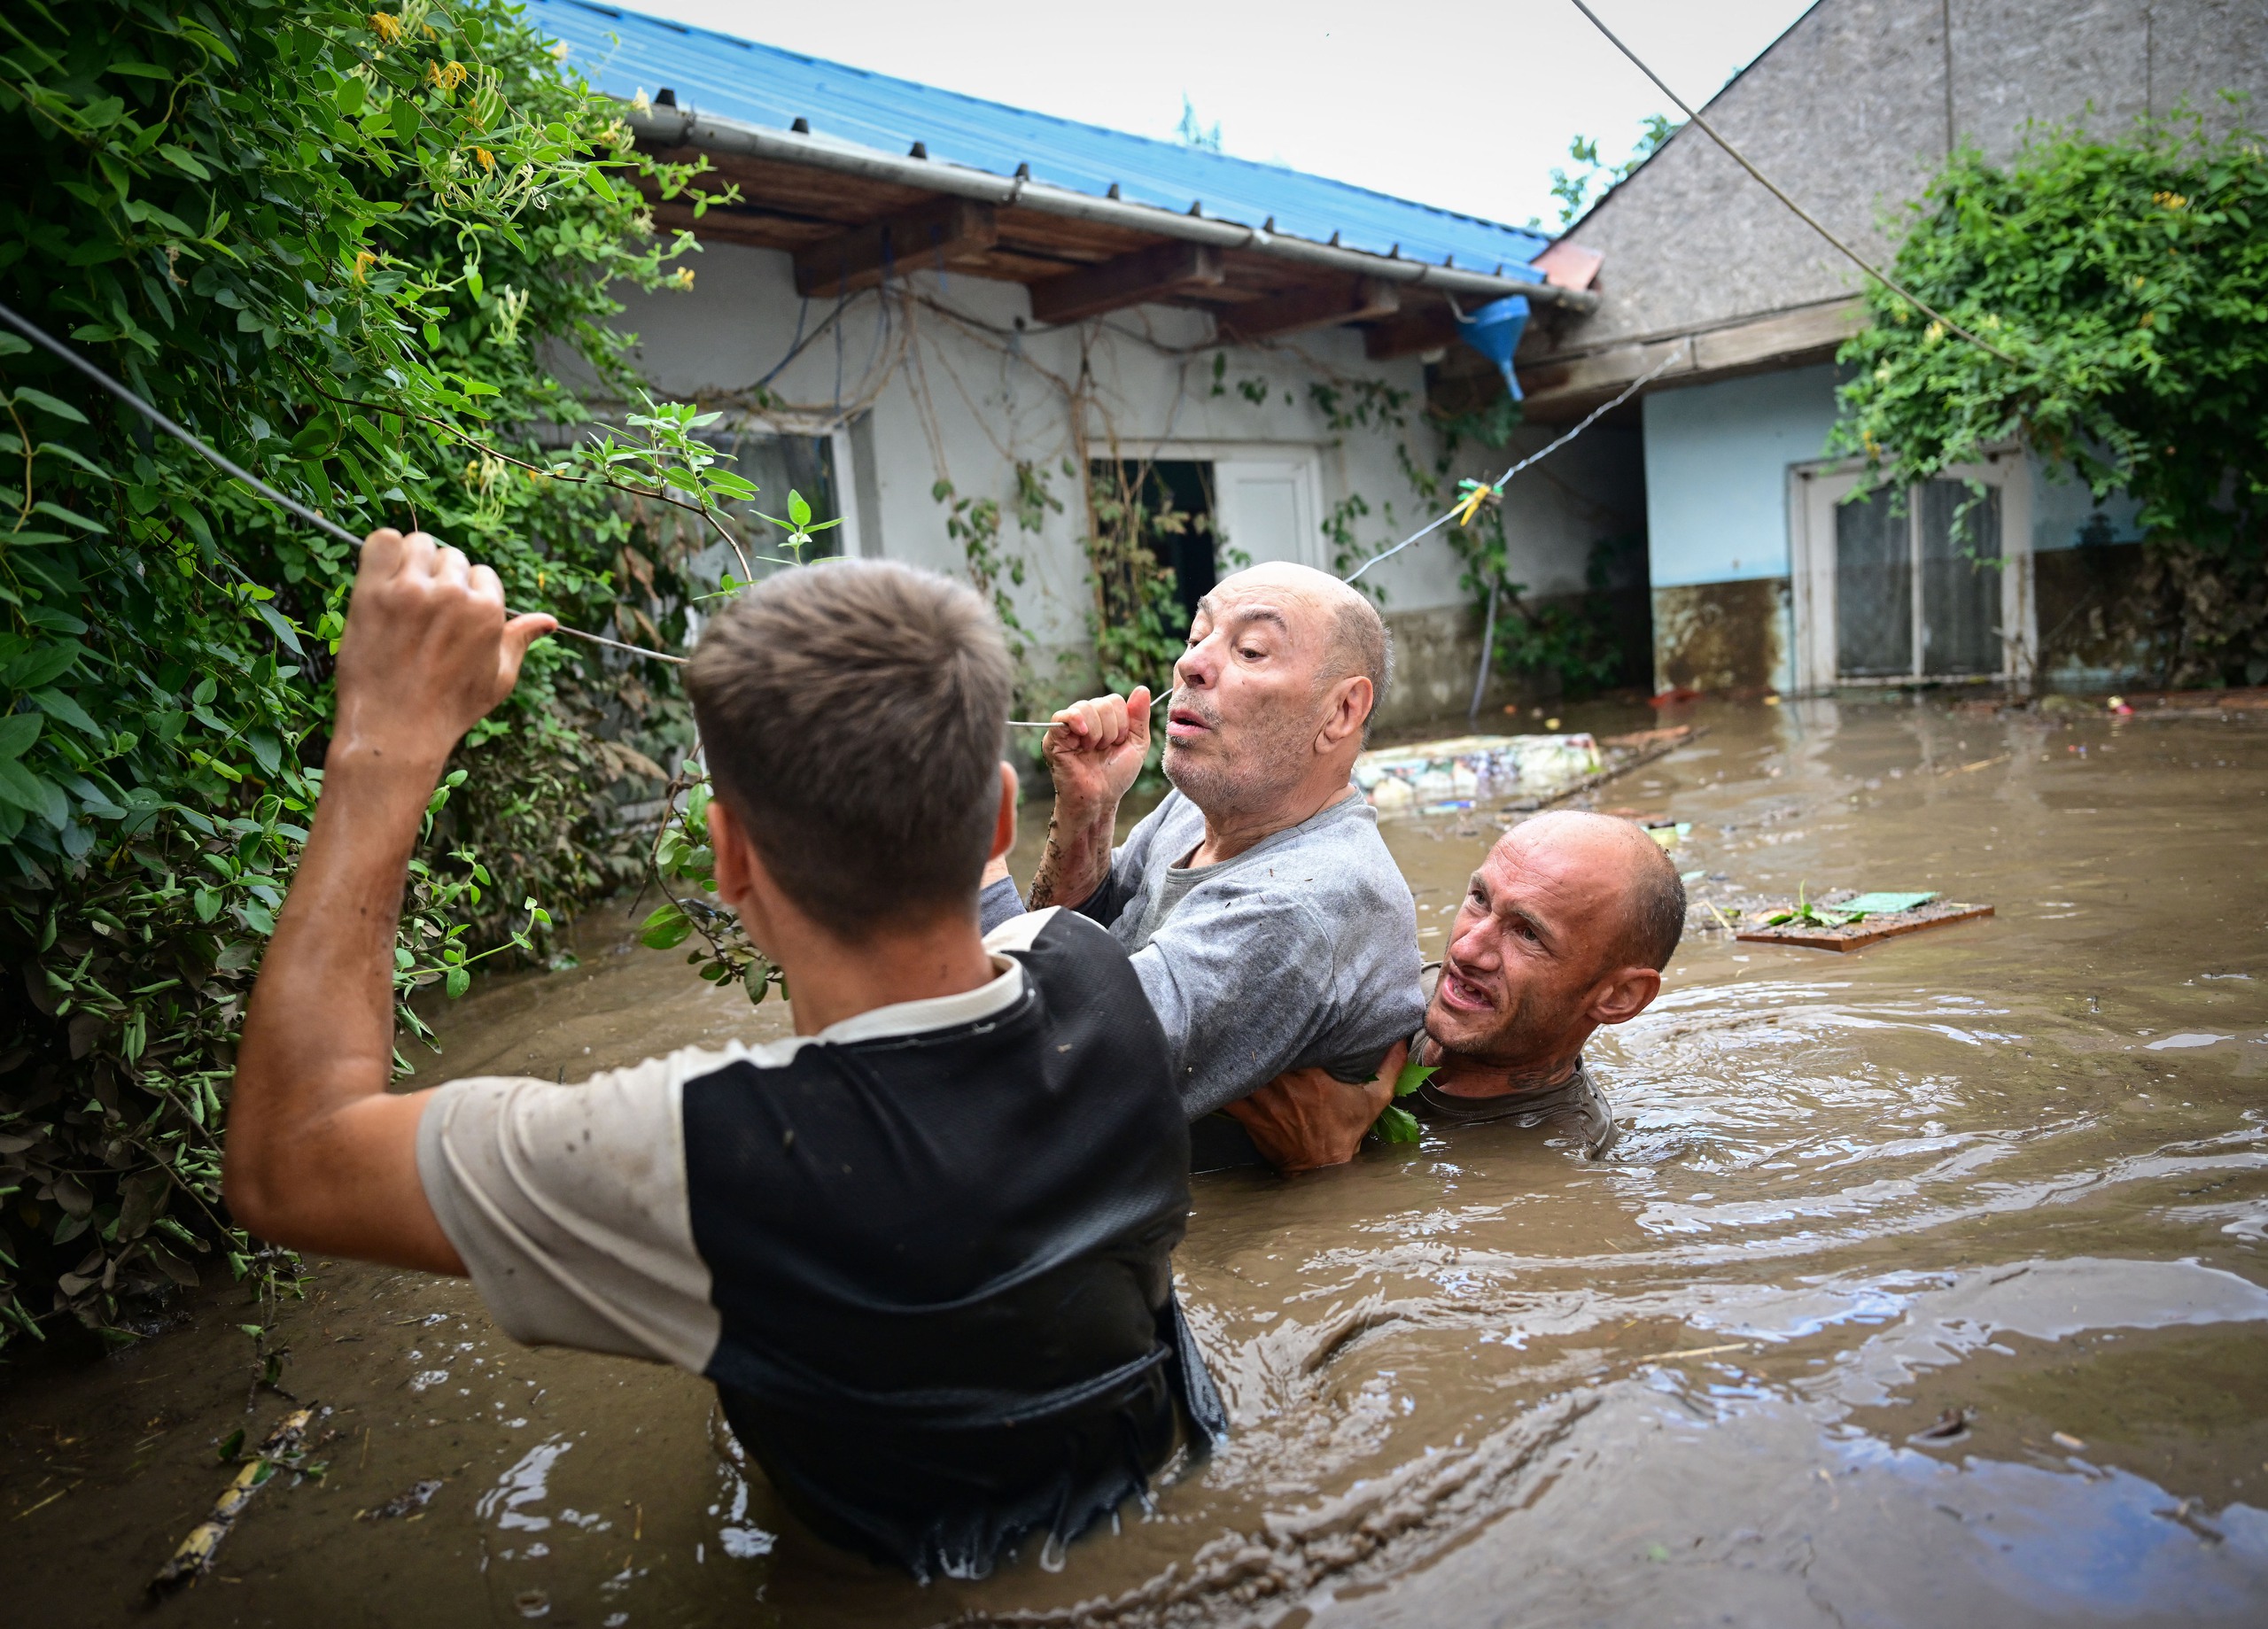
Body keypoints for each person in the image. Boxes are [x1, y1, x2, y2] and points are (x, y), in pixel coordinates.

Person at [224, 533, 1223, 1580]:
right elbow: (1005, 942)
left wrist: (382, 746)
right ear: (1003, 818)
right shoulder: (1100, 974)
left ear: (729, 857)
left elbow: (289, 1157)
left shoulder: (698, 1152)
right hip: (1162, 1484)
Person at [983, 562, 1425, 1167]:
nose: (1190, 665)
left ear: (1343, 710)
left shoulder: (1304, 901)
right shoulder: (1199, 810)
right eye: (1197, 638)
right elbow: (1077, 947)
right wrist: (1086, 816)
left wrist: (968, 853)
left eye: (1250, 649)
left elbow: (1030, 1070)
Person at [1225, 811, 1685, 1172]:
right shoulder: (1391, 987)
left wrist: (1319, 1167)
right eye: (1480, 900)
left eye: (1528, 934)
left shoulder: (1551, 1168)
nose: (1466, 950)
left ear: (1619, 996)